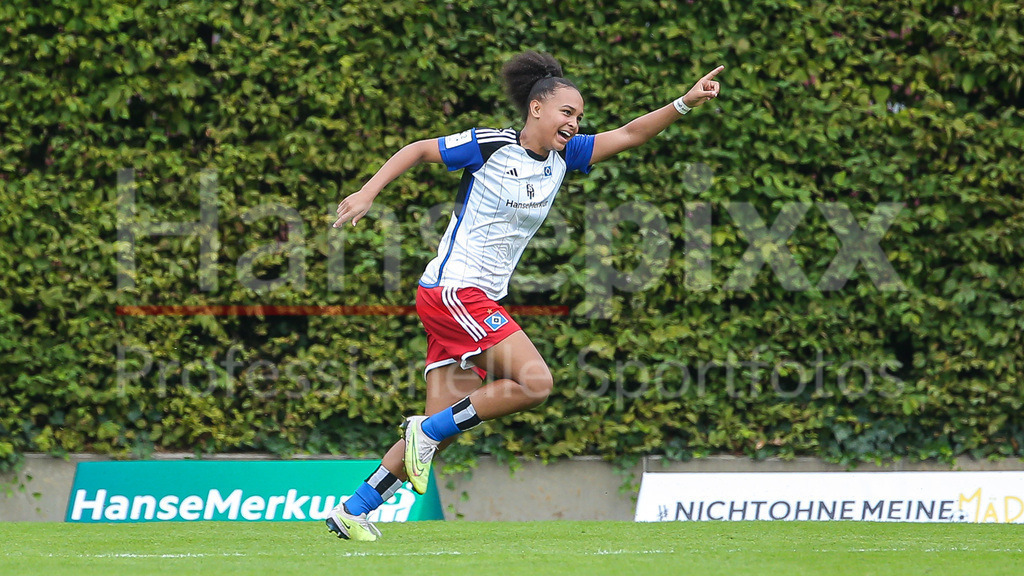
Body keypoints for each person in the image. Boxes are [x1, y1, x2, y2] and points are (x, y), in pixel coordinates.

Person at [326, 51, 723, 541]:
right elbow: (418, 149)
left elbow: (630, 133)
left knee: (439, 431)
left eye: (579, 117)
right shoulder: (489, 146)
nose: (575, 123)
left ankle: (354, 510)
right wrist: (368, 192)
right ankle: (422, 433)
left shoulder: (565, 157)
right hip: (455, 292)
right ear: (537, 108)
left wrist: (684, 103)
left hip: (471, 300)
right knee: (534, 383)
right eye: (567, 112)